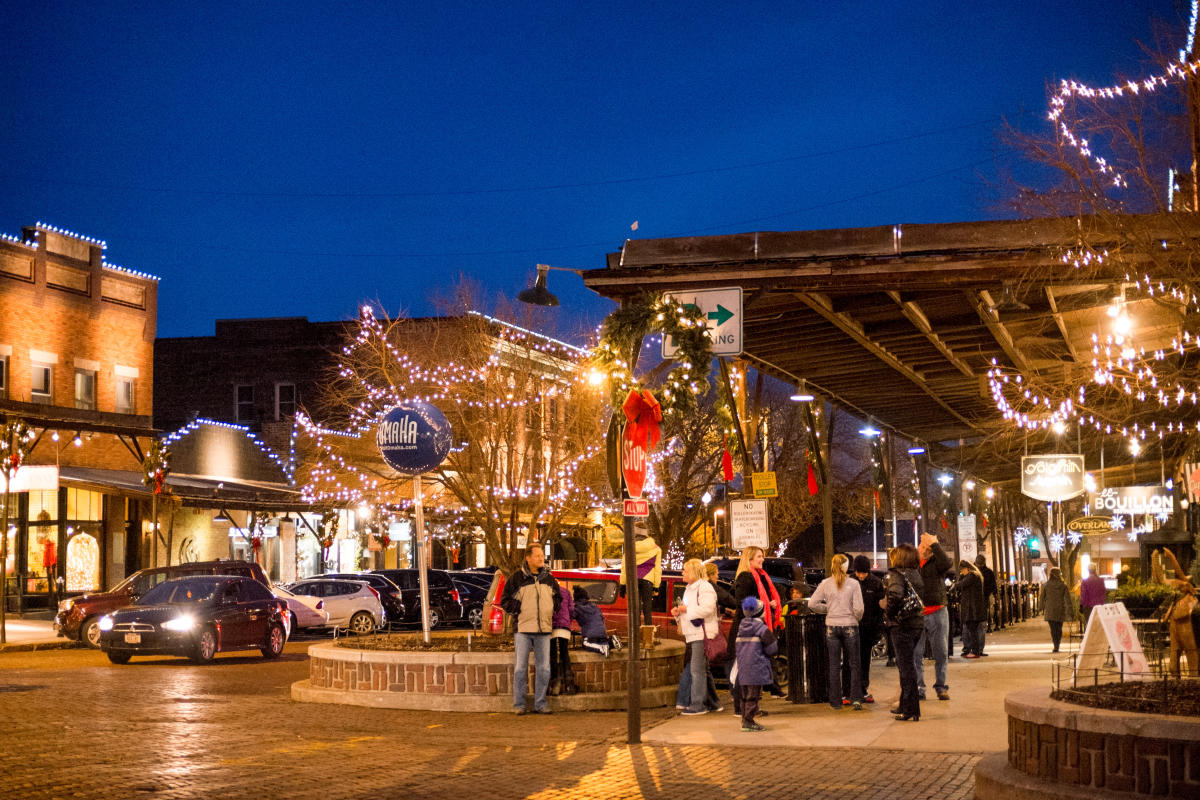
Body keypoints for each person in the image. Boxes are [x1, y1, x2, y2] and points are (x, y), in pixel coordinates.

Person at [500, 545, 561, 714]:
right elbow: (505, 600)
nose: (541, 559)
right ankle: (519, 705)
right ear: (528, 558)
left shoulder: (549, 578)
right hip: (523, 628)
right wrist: (518, 608)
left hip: (544, 628)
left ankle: (540, 703)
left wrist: (551, 609)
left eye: (542, 556)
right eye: (538, 556)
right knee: (520, 668)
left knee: (544, 668)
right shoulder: (516, 578)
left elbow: (558, 598)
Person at [727, 546, 784, 707]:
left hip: (754, 629)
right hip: (746, 631)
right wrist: (763, 604)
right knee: (743, 670)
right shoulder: (745, 578)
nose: (762, 559)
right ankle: (741, 708)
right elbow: (742, 603)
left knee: (750, 670)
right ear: (750, 559)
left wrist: (770, 604)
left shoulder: (760, 577)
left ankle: (751, 707)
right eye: (759, 556)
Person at [808, 553, 865, 709]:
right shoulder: (853, 584)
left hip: (831, 626)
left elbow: (812, 603)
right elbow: (859, 608)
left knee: (834, 665)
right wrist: (855, 618)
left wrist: (827, 609)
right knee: (854, 664)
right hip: (850, 624)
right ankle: (856, 698)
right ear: (846, 566)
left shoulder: (825, 583)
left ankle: (835, 700)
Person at [670, 558, 720, 715]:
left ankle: (698, 705)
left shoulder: (704, 587)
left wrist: (685, 610)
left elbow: (707, 608)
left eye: (685, 570)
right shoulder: (690, 588)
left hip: (700, 633)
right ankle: (713, 703)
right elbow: (691, 609)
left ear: (693, 572)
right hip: (693, 633)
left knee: (696, 670)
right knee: (702, 669)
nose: (682, 573)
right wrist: (679, 614)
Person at [885, 543, 925, 722]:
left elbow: (895, 596)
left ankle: (911, 709)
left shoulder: (897, 574)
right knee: (908, 665)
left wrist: (889, 614)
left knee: (906, 667)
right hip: (916, 623)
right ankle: (905, 704)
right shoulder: (916, 574)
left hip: (901, 625)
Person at [914, 532, 953, 701]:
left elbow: (947, 563)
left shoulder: (936, 562)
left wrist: (935, 544)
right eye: (921, 546)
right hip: (918, 613)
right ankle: (919, 687)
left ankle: (941, 686)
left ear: (931, 552)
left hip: (937, 610)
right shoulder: (913, 564)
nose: (921, 549)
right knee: (916, 653)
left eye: (925, 547)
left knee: (941, 652)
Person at [734, 596, 778, 731]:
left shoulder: (741, 627)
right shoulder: (762, 629)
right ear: (759, 613)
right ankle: (748, 721)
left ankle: (744, 719)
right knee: (753, 696)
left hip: (743, 667)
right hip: (757, 667)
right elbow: (772, 649)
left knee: (744, 695)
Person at [847, 554, 885, 702]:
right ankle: (850, 689)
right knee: (851, 660)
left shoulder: (875, 583)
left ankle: (863, 688)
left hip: (868, 627)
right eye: (858, 573)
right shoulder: (849, 581)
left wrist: (877, 629)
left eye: (863, 573)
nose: (861, 576)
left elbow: (880, 608)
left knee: (864, 660)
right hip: (852, 626)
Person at [620, 522, 662, 626]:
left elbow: (624, 568)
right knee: (647, 608)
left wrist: (622, 584)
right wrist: (656, 586)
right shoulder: (656, 548)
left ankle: (636, 633)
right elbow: (657, 569)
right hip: (648, 580)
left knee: (635, 609)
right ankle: (648, 635)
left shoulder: (629, 547)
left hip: (632, 580)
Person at [572, 585, 617, 657]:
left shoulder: (577, 607)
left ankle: (601, 649)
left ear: (575, 597)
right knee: (603, 642)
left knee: (585, 644)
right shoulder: (594, 606)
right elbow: (601, 619)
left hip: (590, 635)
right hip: (602, 633)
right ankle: (611, 641)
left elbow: (570, 618)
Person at [955, 560, 987, 658]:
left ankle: (975, 652)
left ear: (967, 568)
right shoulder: (975, 575)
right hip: (974, 609)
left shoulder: (972, 576)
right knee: (973, 630)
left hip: (972, 610)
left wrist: (956, 582)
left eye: (962, 570)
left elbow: (959, 585)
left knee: (973, 630)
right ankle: (975, 651)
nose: (961, 572)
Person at [548, 583, 576, 695]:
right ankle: (570, 685)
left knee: (553, 654)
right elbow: (571, 609)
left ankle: (554, 684)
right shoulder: (566, 591)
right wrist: (568, 620)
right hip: (564, 626)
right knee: (565, 653)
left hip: (551, 626)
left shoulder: (546, 591)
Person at [1042, 567, 1073, 653]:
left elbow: (1042, 598)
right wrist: (1070, 610)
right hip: (1060, 609)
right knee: (1059, 628)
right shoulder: (1063, 585)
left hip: (1050, 610)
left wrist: (1040, 608)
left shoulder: (1045, 585)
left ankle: (1055, 645)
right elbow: (1067, 599)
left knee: (1053, 628)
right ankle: (1057, 644)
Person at [975, 554, 997, 641]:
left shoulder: (987, 572)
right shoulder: (988, 572)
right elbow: (993, 586)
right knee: (982, 619)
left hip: (983, 597)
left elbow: (993, 586)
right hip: (983, 597)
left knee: (982, 619)